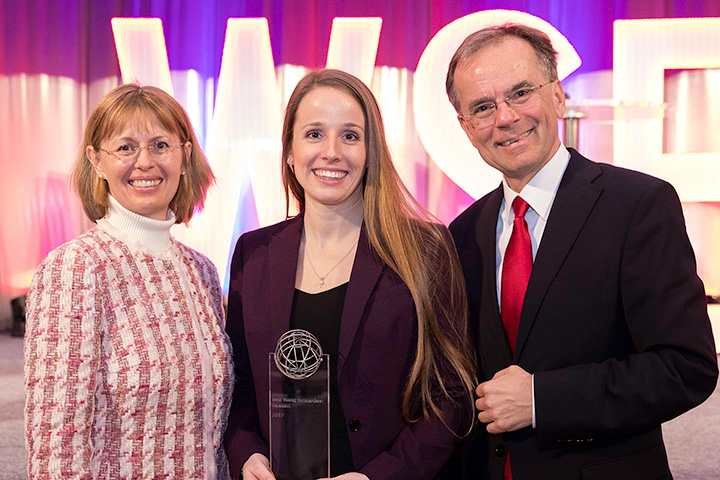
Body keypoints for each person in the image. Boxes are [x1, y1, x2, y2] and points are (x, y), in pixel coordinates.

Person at [445, 23, 719, 480]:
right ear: (467, 128)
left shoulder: (637, 205)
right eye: (483, 107)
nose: (506, 118)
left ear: (557, 96)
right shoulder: (460, 234)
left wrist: (541, 399)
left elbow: (685, 367)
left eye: (520, 93)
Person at [223, 69, 476, 480]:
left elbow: (453, 394)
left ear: (371, 150)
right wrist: (247, 454)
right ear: (289, 151)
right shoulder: (255, 253)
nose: (332, 152)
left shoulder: (425, 248)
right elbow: (242, 387)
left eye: (351, 136)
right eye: (314, 134)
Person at [24, 84, 234, 479]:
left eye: (160, 144)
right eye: (124, 147)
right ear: (96, 161)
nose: (145, 161)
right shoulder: (76, 267)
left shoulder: (201, 272)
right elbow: (57, 442)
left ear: (185, 156)